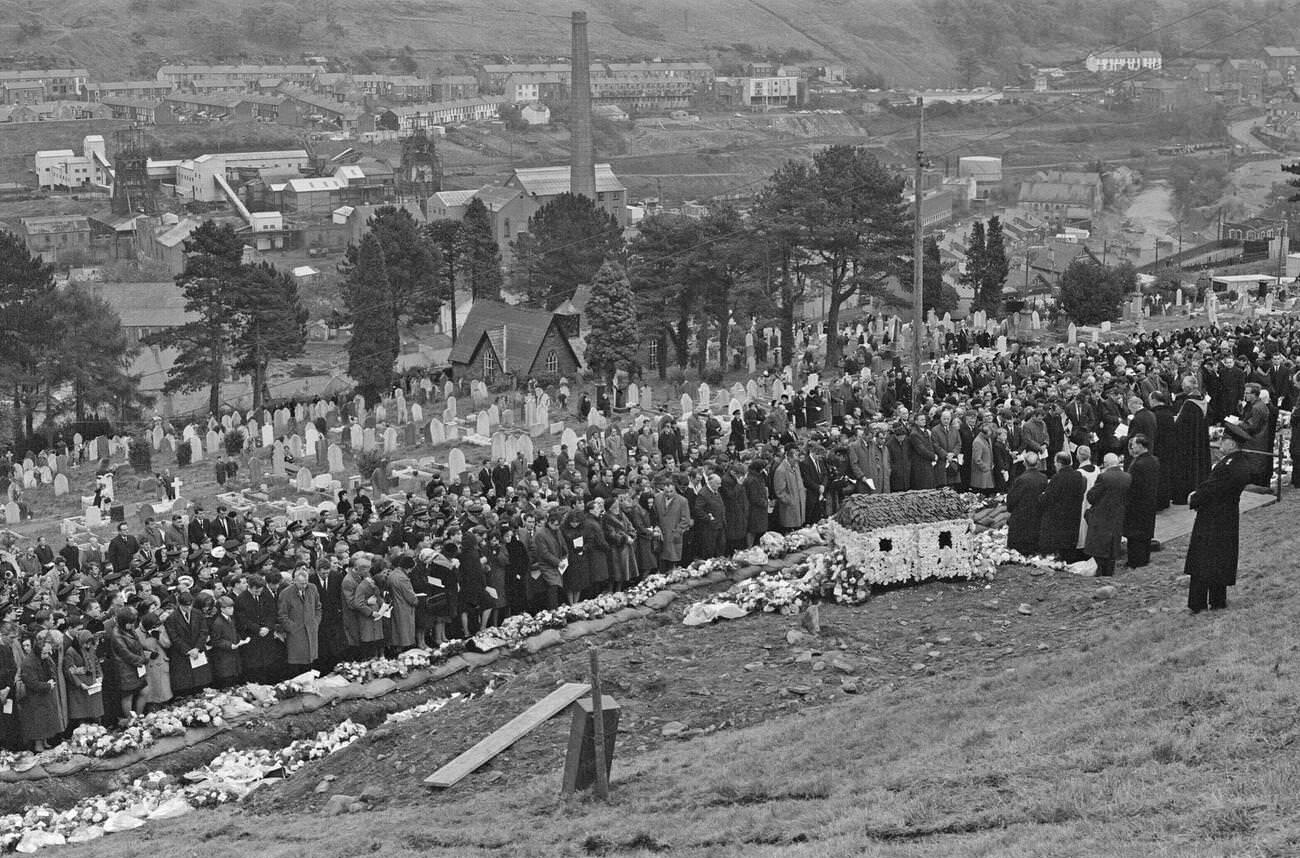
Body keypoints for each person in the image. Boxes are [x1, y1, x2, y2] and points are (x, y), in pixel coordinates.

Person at [1184, 423, 1255, 612]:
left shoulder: (1229, 466)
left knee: (1202, 560)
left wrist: (1194, 497)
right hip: (1226, 517)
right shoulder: (1239, 463)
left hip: (1213, 517)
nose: (1220, 443)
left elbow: (1213, 488)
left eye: (1224, 440)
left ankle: (1197, 603)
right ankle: (1217, 600)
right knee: (1220, 559)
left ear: (1232, 444)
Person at [1085, 453, 1131, 577]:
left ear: (1106, 464)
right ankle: (1109, 574)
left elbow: (1091, 497)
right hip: (1117, 516)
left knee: (1099, 549)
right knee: (1112, 549)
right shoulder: (1127, 477)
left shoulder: (1104, 477)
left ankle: (1100, 574)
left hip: (1102, 516)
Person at [1038, 451, 1085, 563]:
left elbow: (1048, 498)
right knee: (1070, 539)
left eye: (1055, 462)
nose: (1054, 465)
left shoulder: (1057, 478)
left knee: (1061, 540)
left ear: (1059, 463)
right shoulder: (1078, 475)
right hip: (1074, 513)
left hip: (1059, 515)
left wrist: (1041, 497)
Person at [1123, 435, 1160, 569]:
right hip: (1150, 502)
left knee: (1135, 535)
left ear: (1140, 445)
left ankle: (1134, 561)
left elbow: (1131, 484)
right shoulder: (1154, 460)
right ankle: (1144, 559)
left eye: (1133, 444)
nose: (1132, 447)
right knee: (1146, 534)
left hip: (1136, 504)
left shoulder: (1137, 464)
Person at [278, 567, 322, 671]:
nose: (304, 585)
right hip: (296, 634)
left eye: (306, 583)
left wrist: (316, 622)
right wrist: (293, 628)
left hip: (311, 630)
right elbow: (282, 615)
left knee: (310, 661)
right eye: (301, 583)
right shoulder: (285, 594)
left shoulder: (313, 588)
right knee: (297, 661)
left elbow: (318, 607)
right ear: (294, 581)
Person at [1005, 451, 1049, 556]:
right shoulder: (1043, 478)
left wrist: (1011, 509)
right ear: (1037, 463)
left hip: (1022, 516)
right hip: (1037, 515)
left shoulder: (1021, 479)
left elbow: (1012, 499)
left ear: (1025, 463)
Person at [653, 480, 692, 570]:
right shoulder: (657, 498)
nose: (669, 494)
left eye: (671, 491)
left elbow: (686, 519)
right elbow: (654, 515)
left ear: (675, 490)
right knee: (661, 562)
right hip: (661, 536)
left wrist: (677, 532)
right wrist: (657, 527)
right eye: (666, 492)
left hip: (674, 535)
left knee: (672, 561)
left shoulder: (682, 501)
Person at [208, 596, 242, 689]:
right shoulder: (218, 623)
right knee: (228, 680)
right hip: (224, 656)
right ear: (222, 609)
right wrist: (230, 645)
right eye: (229, 608)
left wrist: (240, 640)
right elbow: (216, 640)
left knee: (234, 678)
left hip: (232, 654)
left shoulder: (230, 619)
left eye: (232, 607)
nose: (232, 610)